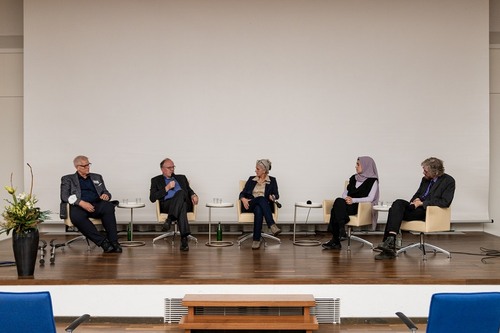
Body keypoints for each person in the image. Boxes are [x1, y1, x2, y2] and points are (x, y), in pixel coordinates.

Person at [375, 157, 455, 260]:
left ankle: (388, 247)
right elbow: (417, 194)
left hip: (428, 212)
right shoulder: (425, 179)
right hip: (416, 208)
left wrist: (422, 203)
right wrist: (415, 200)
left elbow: (445, 202)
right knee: (397, 203)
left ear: (435, 172)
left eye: (425, 171)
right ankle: (390, 242)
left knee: (393, 211)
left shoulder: (448, 181)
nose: (423, 173)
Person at [60, 155, 121, 253]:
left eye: (88, 164)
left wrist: (106, 195)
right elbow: (64, 196)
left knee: (109, 207)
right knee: (76, 217)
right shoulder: (68, 179)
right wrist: (81, 202)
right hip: (79, 206)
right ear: (77, 167)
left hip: (96, 204)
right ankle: (103, 242)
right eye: (84, 166)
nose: (87, 167)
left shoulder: (97, 177)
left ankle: (114, 242)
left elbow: (106, 191)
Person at [322, 156, 380, 250]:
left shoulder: (373, 181)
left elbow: (370, 198)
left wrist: (353, 200)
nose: (355, 166)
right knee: (338, 200)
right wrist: (347, 198)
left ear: (366, 165)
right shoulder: (353, 178)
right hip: (346, 205)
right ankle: (341, 230)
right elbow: (344, 194)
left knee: (334, 210)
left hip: (359, 207)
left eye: (358, 164)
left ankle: (336, 240)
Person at [149, 158, 198, 251]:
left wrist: (194, 195)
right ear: (162, 169)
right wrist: (166, 188)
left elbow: (189, 190)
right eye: (169, 167)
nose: (172, 169)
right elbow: (152, 198)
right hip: (168, 205)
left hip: (183, 202)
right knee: (182, 205)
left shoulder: (181, 178)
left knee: (181, 193)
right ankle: (184, 239)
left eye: (173, 167)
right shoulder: (156, 180)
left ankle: (169, 219)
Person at [239, 159, 281, 249]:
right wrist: (243, 199)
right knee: (261, 199)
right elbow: (242, 193)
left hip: (263, 206)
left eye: (257, 169)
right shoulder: (251, 179)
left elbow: (276, 195)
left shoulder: (272, 180)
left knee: (259, 209)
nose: (255, 170)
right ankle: (272, 225)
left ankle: (256, 240)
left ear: (264, 171)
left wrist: (272, 197)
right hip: (250, 204)